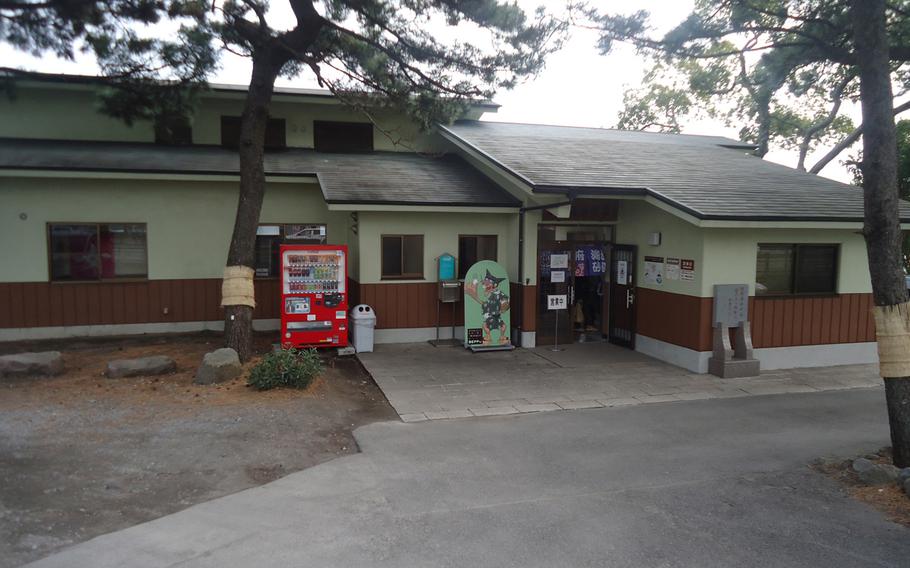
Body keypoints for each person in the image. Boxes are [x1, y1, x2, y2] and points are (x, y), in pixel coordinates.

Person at [464, 269, 511, 345]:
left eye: (488, 282)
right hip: (491, 315)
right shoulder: (488, 294)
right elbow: (484, 303)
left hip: (494, 315)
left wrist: (504, 305)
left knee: (499, 325)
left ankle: (501, 337)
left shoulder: (497, 293)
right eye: (485, 281)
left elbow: (504, 301)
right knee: (488, 325)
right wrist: (474, 296)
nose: (485, 284)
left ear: (494, 285)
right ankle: (490, 337)